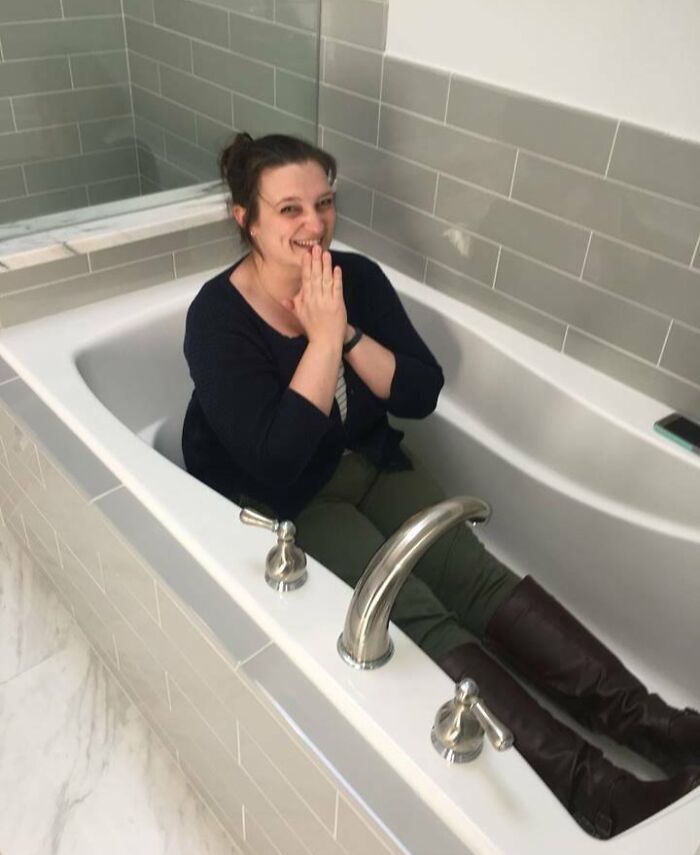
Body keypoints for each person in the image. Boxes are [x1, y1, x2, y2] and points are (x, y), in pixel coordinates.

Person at [182, 132, 700, 839]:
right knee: (418, 609)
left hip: (365, 459)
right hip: (287, 498)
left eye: (325, 204)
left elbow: (419, 392)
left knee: (477, 576)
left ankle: (654, 725)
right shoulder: (217, 318)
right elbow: (274, 460)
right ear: (247, 219)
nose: (314, 226)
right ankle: (594, 788)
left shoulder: (352, 279)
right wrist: (322, 339)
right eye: (289, 210)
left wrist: (347, 330)